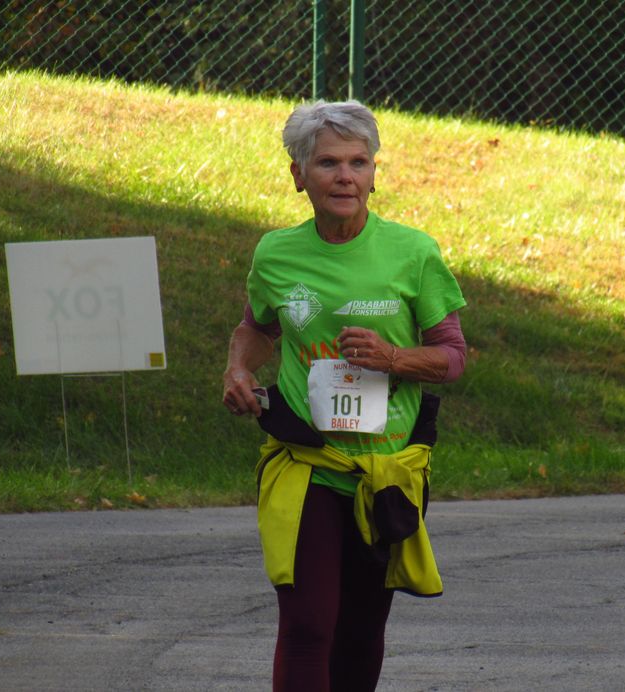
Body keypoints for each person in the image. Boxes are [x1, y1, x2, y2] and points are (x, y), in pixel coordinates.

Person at [222, 100, 467, 692]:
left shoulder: (413, 252)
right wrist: (237, 369)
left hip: (386, 471)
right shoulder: (276, 254)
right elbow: (258, 327)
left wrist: (393, 358)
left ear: (374, 174)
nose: (345, 177)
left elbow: (453, 357)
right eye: (328, 163)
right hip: (306, 463)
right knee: (307, 626)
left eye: (359, 162)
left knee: (360, 630)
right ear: (298, 174)